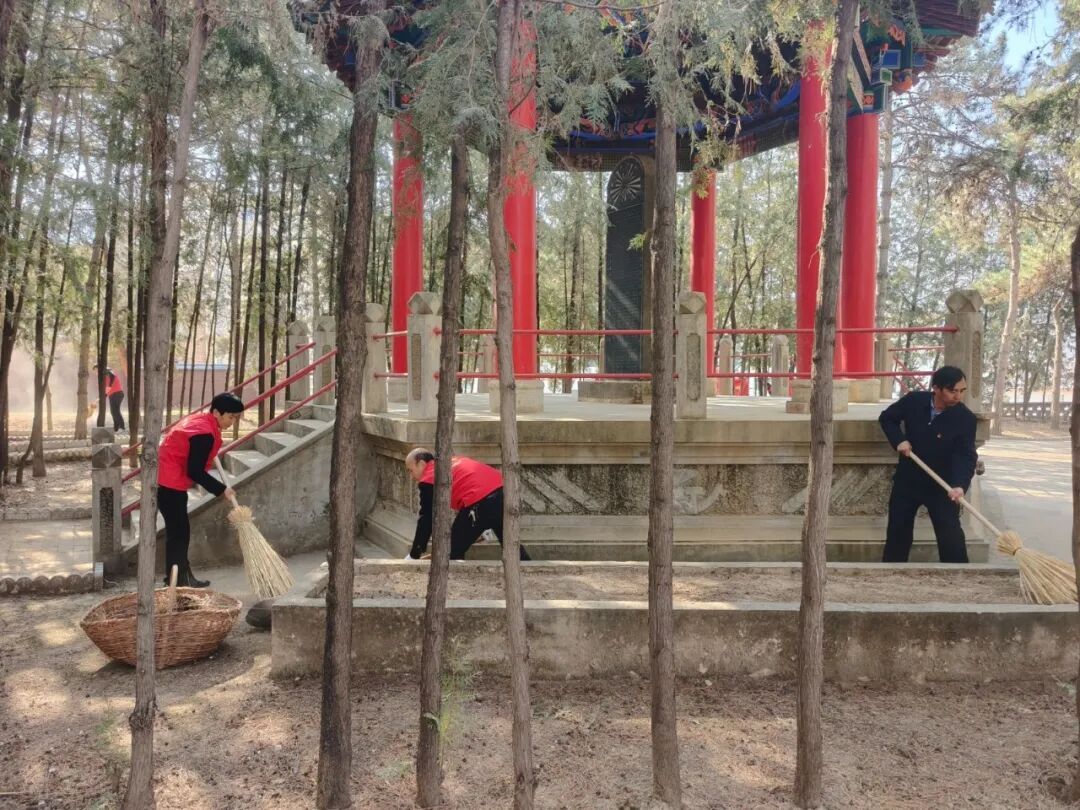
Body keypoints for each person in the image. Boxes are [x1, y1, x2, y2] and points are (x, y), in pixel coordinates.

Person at [878, 365, 978, 563]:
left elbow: (965, 455)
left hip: (942, 485)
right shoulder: (914, 401)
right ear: (936, 388)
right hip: (908, 481)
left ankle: (959, 574)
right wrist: (899, 440)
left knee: (951, 536)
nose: (958, 396)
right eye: (953, 391)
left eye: (962, 391)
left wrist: (959, 485)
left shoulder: (965, 418)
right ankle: (892, 572)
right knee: (898, 532)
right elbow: (887, 418)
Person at [157, 392, 244, 587]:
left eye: (236, 418)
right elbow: (195, 471)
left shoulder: (201, 422)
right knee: (179, 534)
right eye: (230, 417)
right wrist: (221, 490)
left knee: (179, 532)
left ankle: (179, 578)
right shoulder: (204, 434)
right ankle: (178, 581)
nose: (232, 422)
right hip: (170, 484)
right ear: (216, 412)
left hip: (167, 479)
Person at [404, 448, 530, 561]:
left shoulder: (429, 477)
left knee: (450, 551)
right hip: (503, 492)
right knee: (512, 546)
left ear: (421, 464)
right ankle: (528, 569)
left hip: (480, 501)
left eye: (410, 470)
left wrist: (415, 553)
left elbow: (427, 518)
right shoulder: (451, 461)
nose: (411, 476)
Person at [94, 365, 126, 433]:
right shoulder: (106, 376)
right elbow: (106, 390)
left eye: (96, 370)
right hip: (113, 395)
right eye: (95, 371)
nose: (96, 372)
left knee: (115, 411)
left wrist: (101, 398)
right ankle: (116, 428)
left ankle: (122, 427)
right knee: (113, 411)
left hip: (117, 394)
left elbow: (108, 387)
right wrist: (101, 398)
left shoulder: (108, 375)